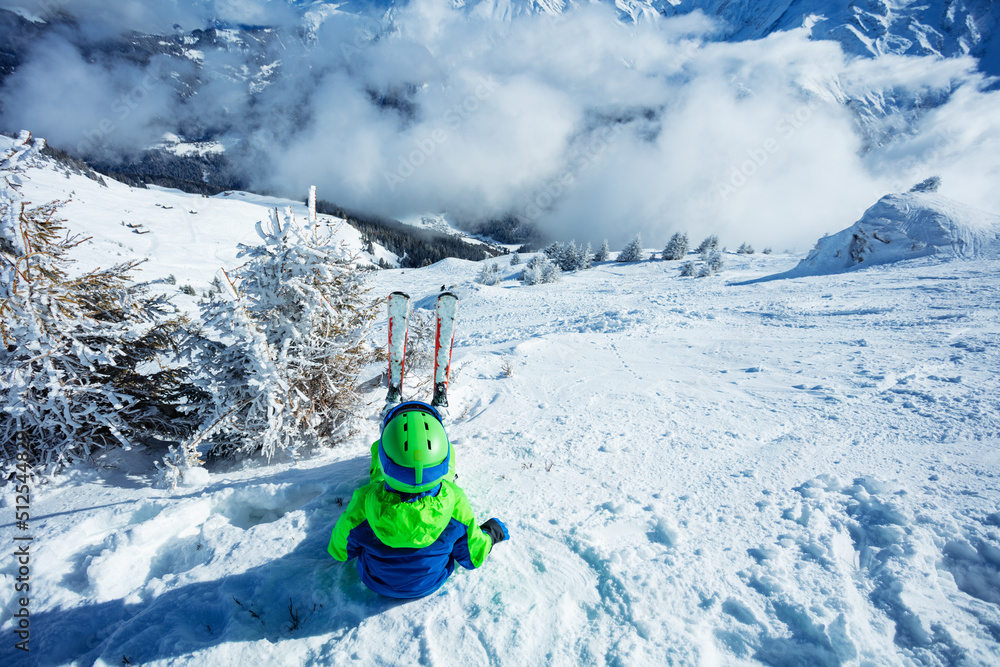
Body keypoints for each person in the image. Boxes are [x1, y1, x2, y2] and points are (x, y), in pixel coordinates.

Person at [328, 401, 509, 598]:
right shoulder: (456, 503)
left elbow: (340, 552)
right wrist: (492, 532)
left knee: (379, 485)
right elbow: (472, 557)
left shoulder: (364, 500)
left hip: (376, 582)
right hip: (431, 582)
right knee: (447, 487)